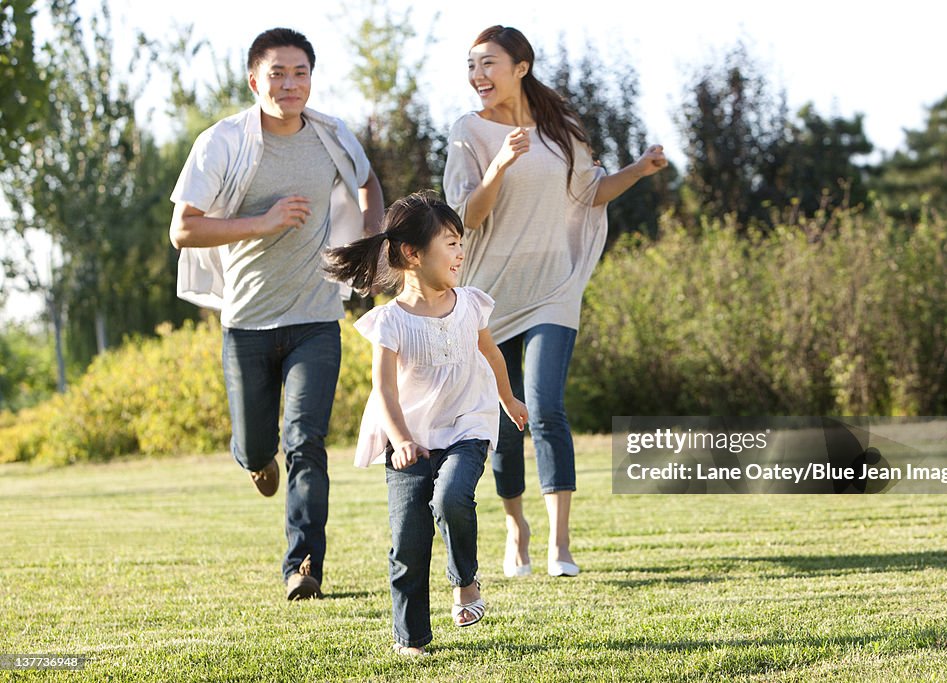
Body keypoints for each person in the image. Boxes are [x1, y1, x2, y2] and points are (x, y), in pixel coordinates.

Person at [443, 25, 668, 579]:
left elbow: (589, 192)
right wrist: (498, 166)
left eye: (488, 63)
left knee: (545, 407)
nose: (478, 76)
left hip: (553, 289)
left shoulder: (561, 129)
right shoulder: (466, 132)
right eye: (471, 65)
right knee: (505, 415)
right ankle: (516, 528)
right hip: (491, 294)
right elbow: (465, 217)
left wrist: (638, 170)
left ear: (521, 66)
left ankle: (560, 544)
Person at [168, 27, 385, 601]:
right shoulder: (222, 143)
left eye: (300, 73)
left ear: (311, 78)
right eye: (277, 74)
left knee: (306, 442)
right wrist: (262, 222)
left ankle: (304, 566)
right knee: (258, 447)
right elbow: (183, 229)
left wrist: (372, 242)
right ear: (253, 80)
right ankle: (255, 460)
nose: (290, 85)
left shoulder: (332, 135)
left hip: (316, 317)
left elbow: (368, 183)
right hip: (246, 322)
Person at [323, 191, 528, 656]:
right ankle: (412, 637)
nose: (460, 252)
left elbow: (491, 354)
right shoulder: (390, 322)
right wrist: (401, 440)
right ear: (412, 254)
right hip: (410, 439)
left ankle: (465, 581)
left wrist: (509, 399)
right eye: (450, 242)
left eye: (460, 242)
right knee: (409, 542)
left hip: (466, 426)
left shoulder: (471, 304)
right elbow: (385, 392)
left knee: (453, 496)